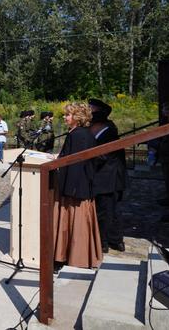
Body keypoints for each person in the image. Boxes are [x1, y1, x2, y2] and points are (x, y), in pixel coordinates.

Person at [53, 102, 102, 270]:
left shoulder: (78, 135)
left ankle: (74, 256)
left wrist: (70, 190)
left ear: (77, 117)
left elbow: (77, 164)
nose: (65, 117)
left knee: (75, 222)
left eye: (68, 115)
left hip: (75, 189)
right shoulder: (81, 133)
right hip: (78, 186)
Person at [88, 99, 126, 253]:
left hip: (108, 176)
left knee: (107, 210)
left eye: (92, 109)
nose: (90, 112)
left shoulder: (108, 130)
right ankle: (113, 240)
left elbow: (103, 155)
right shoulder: (98, 128)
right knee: (107, 209)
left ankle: (106, 241)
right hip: (103, 175)